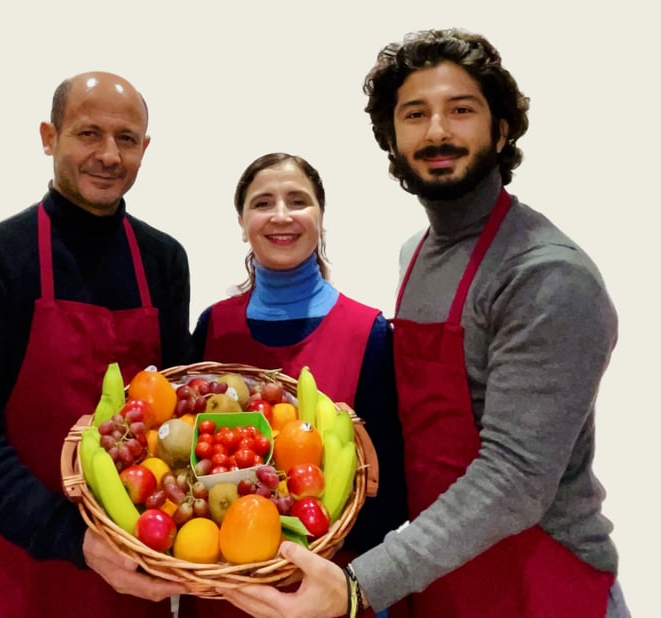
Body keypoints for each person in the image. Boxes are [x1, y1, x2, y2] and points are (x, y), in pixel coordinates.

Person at [218, 28, 631, 618]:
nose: (437, 131)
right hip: (444, 578)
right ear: (392, 139)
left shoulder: (546, 275)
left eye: (460, 110)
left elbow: (515, 480)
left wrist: (360, 584)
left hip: (541, 581)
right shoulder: (414, 253)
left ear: (501, 129)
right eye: (415, 114)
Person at [0, 71, 192, 617]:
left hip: (123, 573)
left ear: (145, 148)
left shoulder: (163, 261)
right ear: (49, 137)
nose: (108, 155)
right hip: (2, 567)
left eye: (126, 139)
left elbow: (171, 420)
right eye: (88, 133)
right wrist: (72, 538)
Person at [179, 152, 408, 618]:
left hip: (327, 591)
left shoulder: (368, 333)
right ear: (242, 223)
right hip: (224, 591)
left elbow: (391, 491)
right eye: (263, 203)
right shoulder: (212, 327)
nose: (281, 215)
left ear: (321, 218)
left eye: (298, 201)